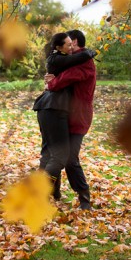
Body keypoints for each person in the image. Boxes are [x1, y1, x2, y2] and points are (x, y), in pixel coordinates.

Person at [32, 32, 95, 207]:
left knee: (70, 159)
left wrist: (51, 82)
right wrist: (50, 77)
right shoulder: (70, 58)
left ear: (74, 42)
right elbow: (56, 69)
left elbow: (64, 79)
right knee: (54, 153)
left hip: (78, 117)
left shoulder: (84, 62)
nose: (68, 46)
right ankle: (53, 193)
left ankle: (84, 198)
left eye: (69, 43)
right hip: (63, 113)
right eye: (65, 44)